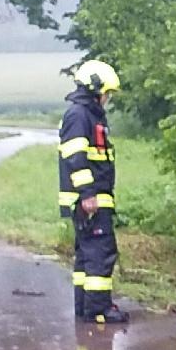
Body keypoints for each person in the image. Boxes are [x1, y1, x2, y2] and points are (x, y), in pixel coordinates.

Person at [59, 60, 128, 324]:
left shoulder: (87, 115)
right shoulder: (80, 116)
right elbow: (76, 157)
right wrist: (88, 194)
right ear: (95, 89)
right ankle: (99, 308)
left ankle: (85, 306)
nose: (108, 98)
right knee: (100, 252)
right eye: (106, 93)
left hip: (91, 198)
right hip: (90, 199)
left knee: (87, 256)